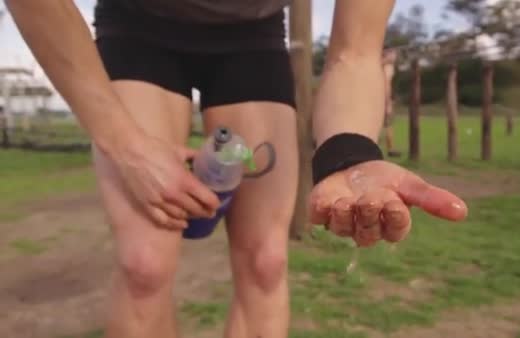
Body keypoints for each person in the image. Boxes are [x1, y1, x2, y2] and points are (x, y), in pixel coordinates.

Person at [7, 1, 468, 337]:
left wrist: (349, 155)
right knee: (144, 266)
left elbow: (356, 52)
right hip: (136, 25)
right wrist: (126, 146)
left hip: (253, 37)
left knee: (266, 264)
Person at [381, 47, 401, 157]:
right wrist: (387, 102)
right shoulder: (384, 66)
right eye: (393, 53)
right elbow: (385, 84)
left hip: (385, 97)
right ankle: (390, 149)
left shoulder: (389, 66)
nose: (395, 56)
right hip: (382, 97)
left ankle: (390, 149)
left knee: (388, 124)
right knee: (386, 123)